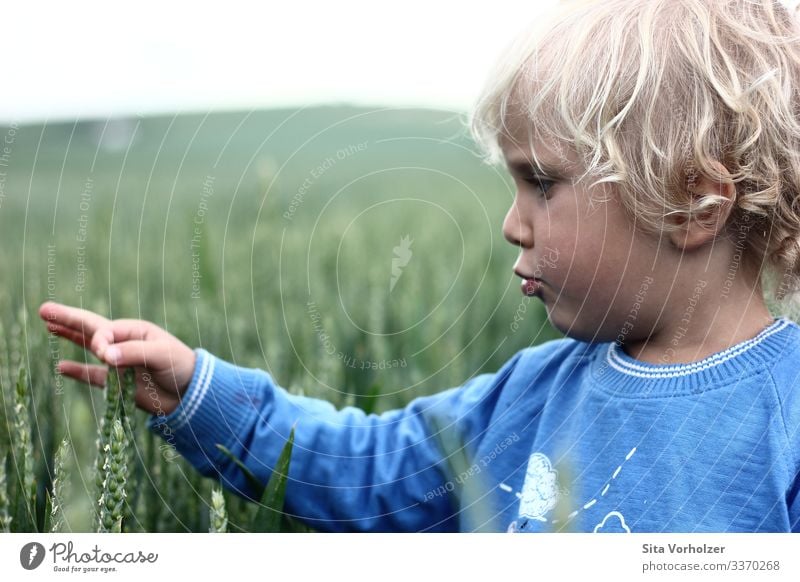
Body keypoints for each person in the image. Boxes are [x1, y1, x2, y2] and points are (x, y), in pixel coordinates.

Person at [39, 0, 800, 532]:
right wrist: (201, 395)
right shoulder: (530, 396)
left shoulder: (788, 417)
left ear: (694, 203)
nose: (511, 224)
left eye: (541, 182)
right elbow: (365, 469)